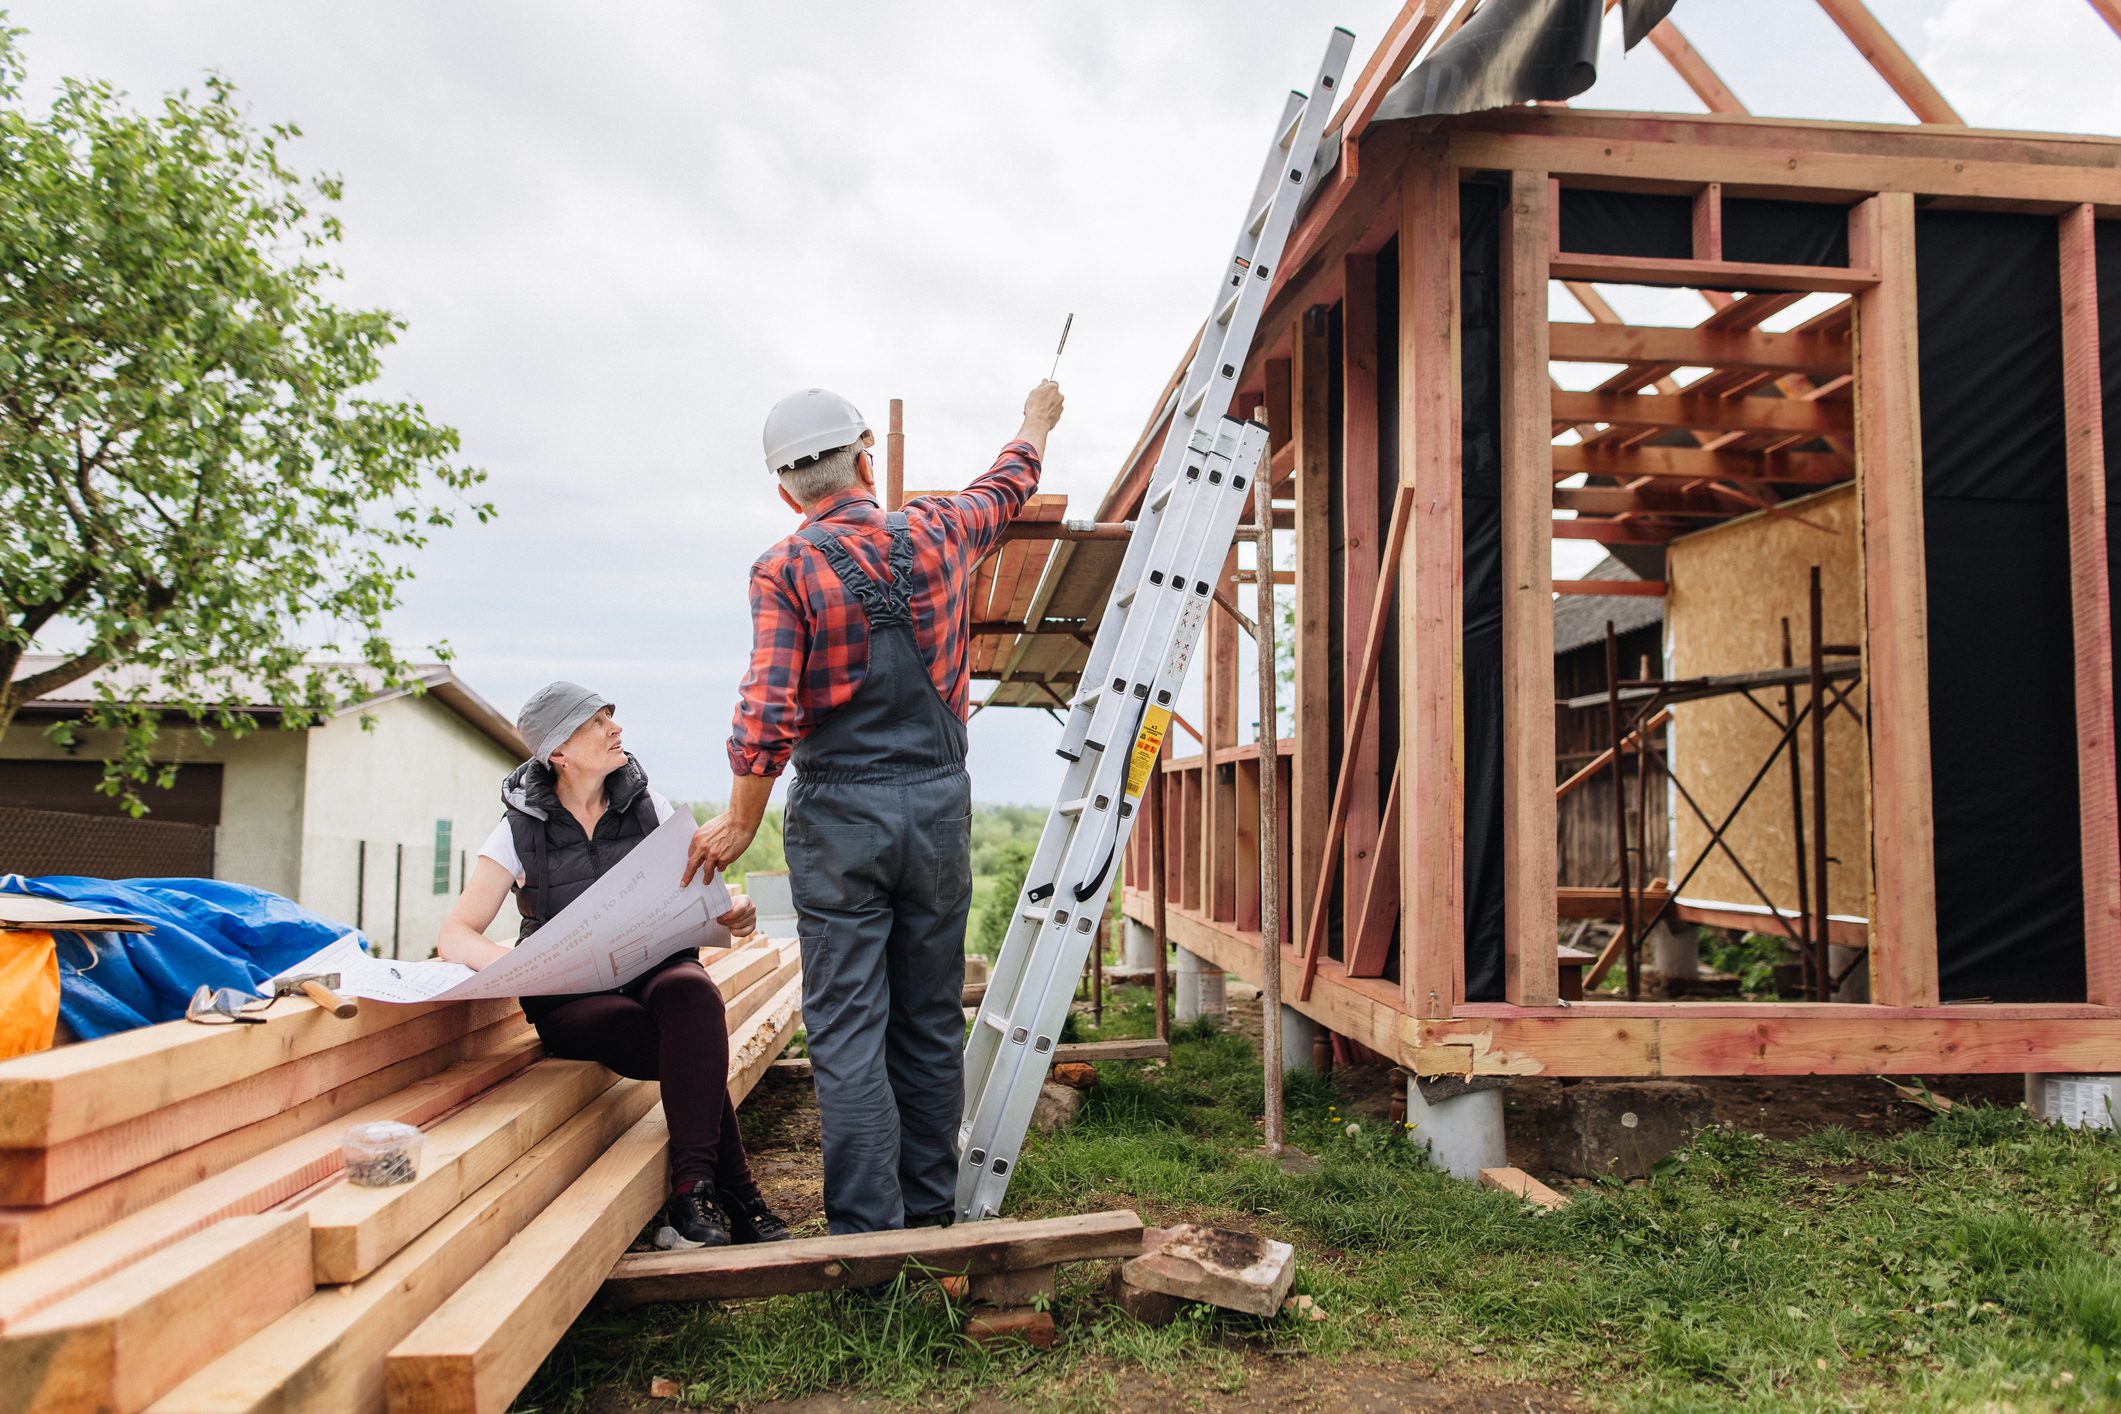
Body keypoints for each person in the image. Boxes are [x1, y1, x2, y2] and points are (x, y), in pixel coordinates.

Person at [684, 380, 1064, 1234]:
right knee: (928, 1019)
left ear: (787, 490)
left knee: (849, 1027)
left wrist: (743, 816)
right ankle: (931, 1217)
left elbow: (767, 707)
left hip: (839, 819)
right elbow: (1006, 485)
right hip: (935, 810)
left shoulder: (784, 568)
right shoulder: (935, 531)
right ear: (864, 457)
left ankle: (867, 1238)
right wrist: (1035, 423)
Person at [439, 681, 792, 1249]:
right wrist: (516, 965)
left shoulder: (647, 808)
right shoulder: (517, 830)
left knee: (693, 996)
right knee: (686, 1052)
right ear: (558, 753)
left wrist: (733, 911)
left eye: (611, 717)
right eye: (596, 722)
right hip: (574, 995)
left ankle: (693, 1192)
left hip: (654, 966)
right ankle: (740, 1194)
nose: (615, 729)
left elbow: (700, 893)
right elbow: (455, 934)